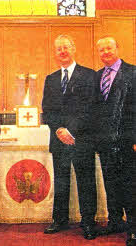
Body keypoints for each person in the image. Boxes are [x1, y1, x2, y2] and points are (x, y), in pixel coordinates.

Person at [42, 35, 97, 240]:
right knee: (61, 181)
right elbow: (47, 110)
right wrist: (58, 130)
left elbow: (89, 108)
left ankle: (88, 222)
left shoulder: (89, 75)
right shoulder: (51, 78)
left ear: (73, 49)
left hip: (81, 139)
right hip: (59, 140)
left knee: (86, 181)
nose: (62, 51)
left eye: (65, 47)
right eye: (58, 49)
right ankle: (59, 220)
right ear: (55, 53)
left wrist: (70, 131)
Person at [94, 37, 136, 246]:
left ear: (117, 48)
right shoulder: (97, 76)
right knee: (110, 184)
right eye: (101, 50)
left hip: (128, 141)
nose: (105, 52)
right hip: (105, 143)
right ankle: (115, 221)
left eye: (109, 48)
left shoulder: (133, 72)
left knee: (130, 186)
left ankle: (134, 228)